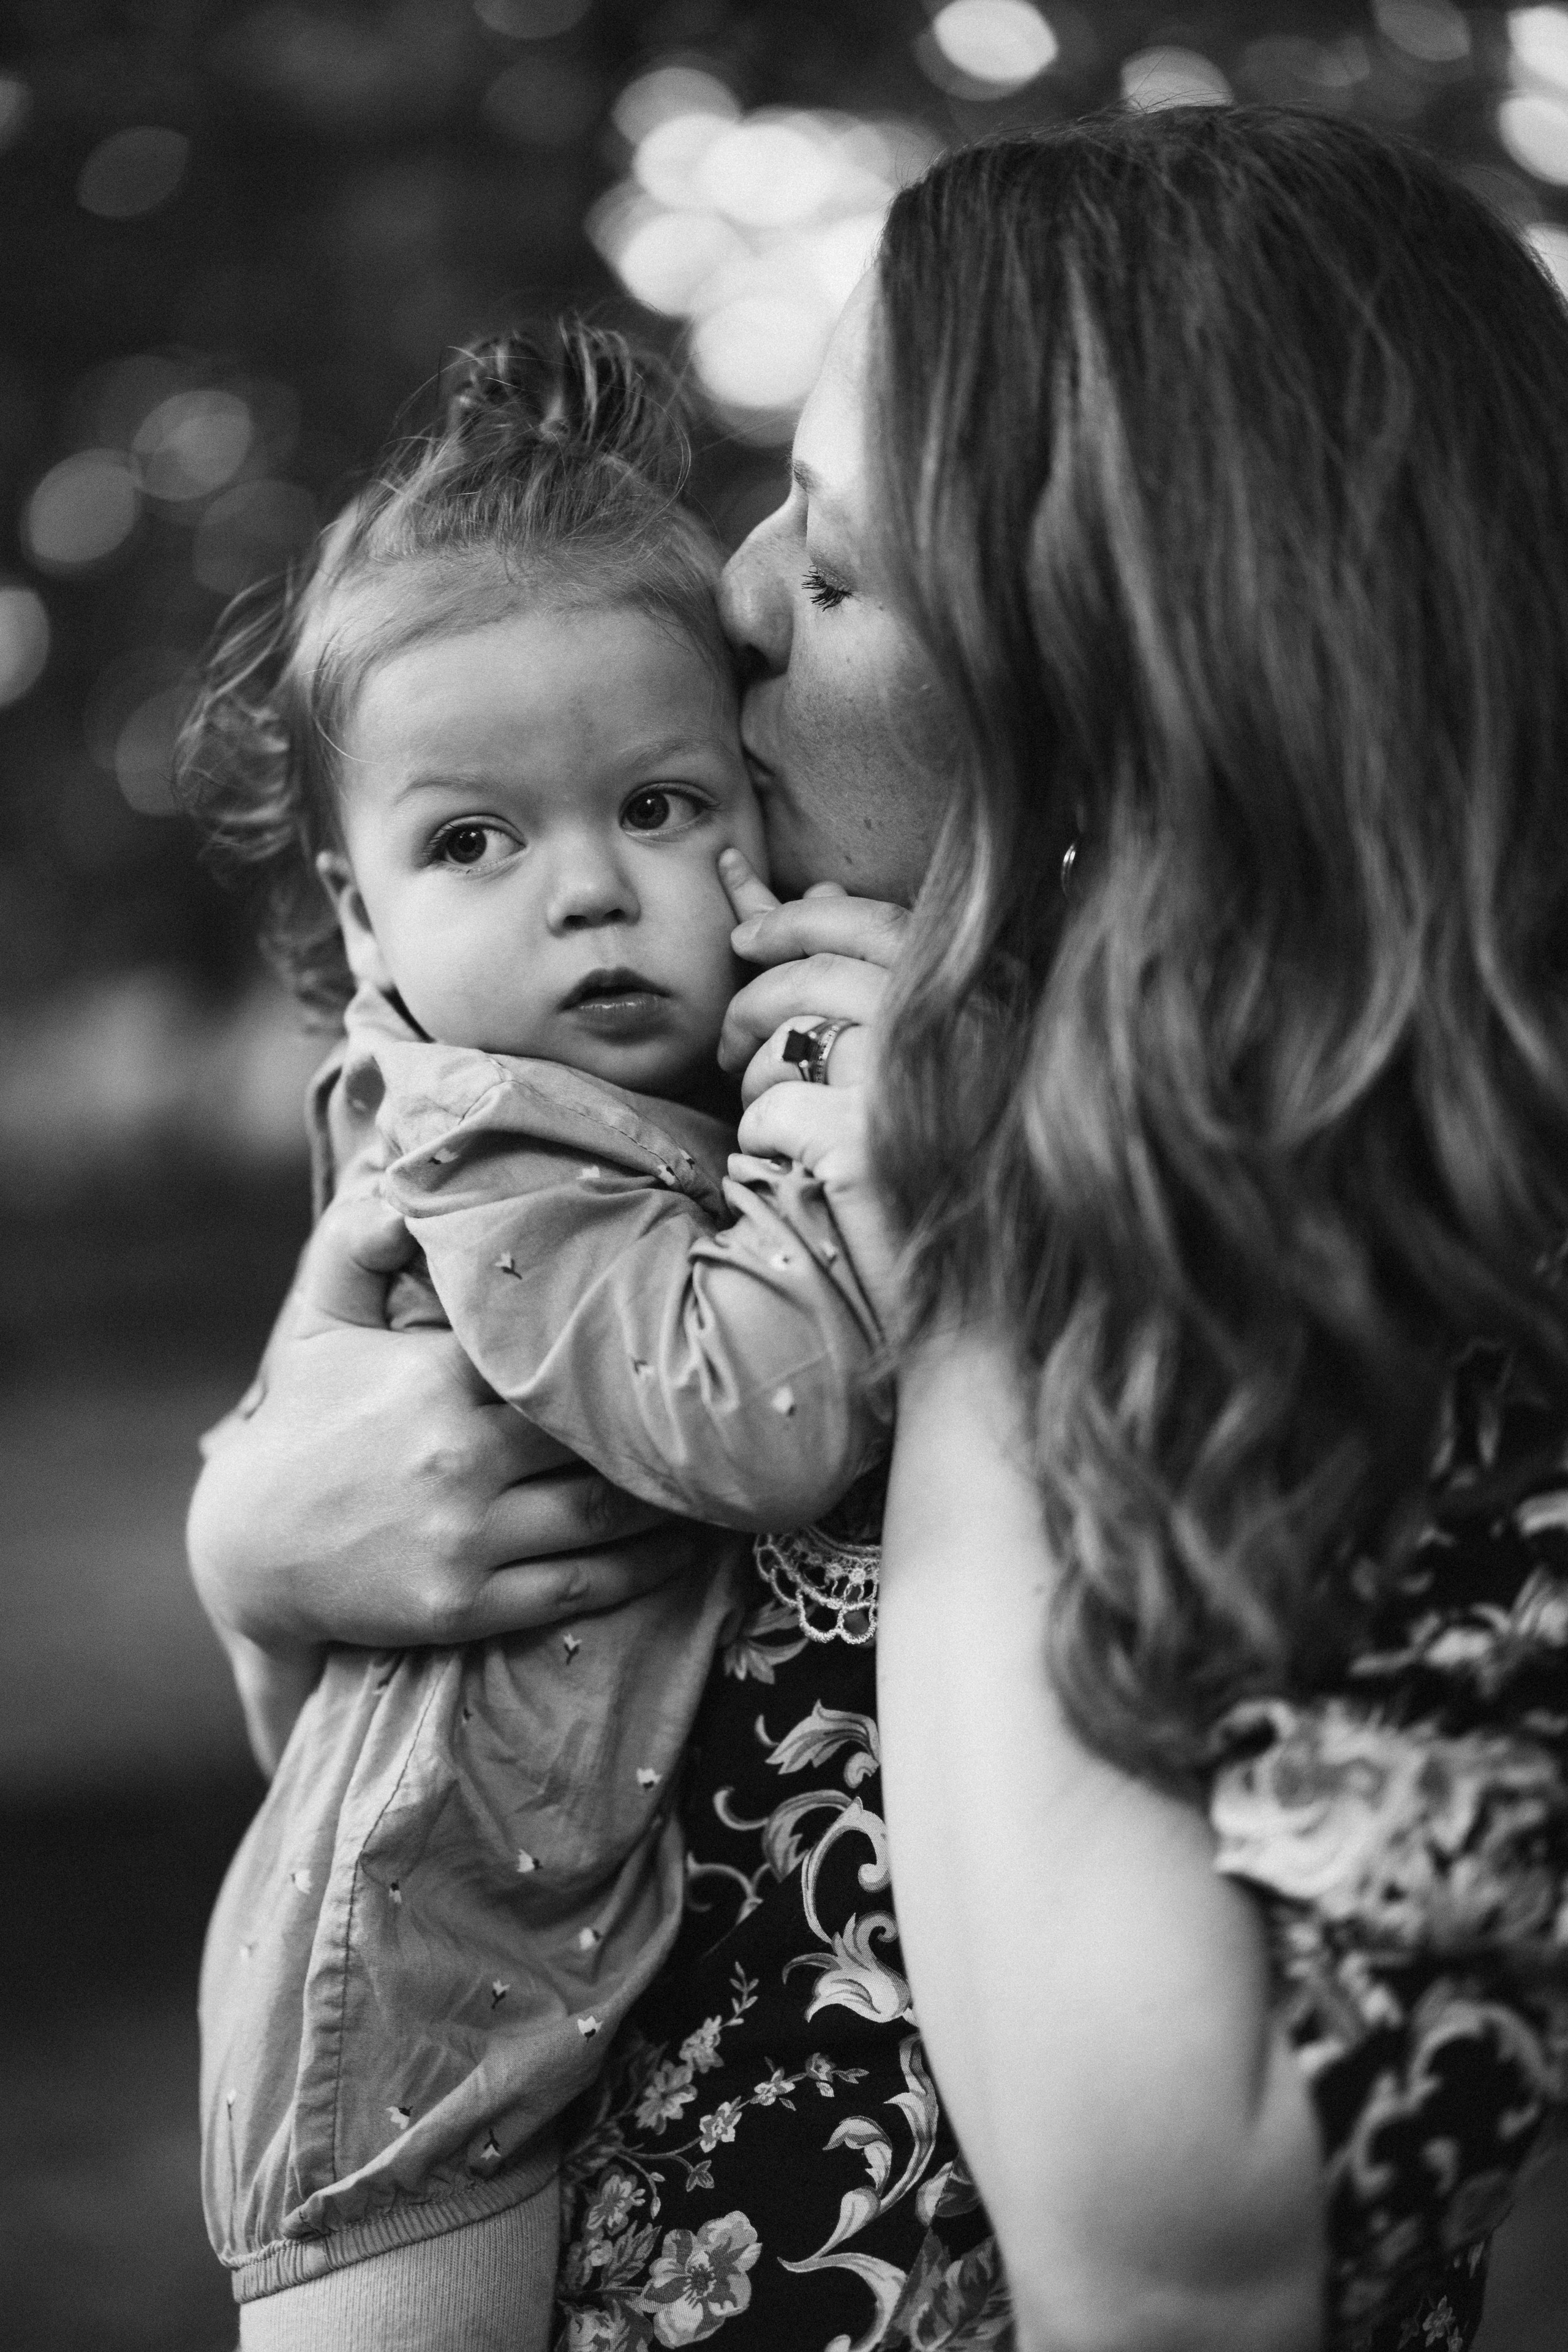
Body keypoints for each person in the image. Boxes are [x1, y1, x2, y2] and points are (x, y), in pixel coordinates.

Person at [185, 110, 1568, 2352]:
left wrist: (981, 1232)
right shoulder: (708, 1090)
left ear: (1132, 705)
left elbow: (1168, 2270)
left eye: (833, 566)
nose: (728, 597)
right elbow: (436, 1754)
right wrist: (253, 1555)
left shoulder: (1455, 1302)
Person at [176, 320, 889, 2350]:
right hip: (416, 2031)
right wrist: (867, 1194)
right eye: (475, 841)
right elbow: (745, 1425)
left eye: (659, 805)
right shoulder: (501, 1148)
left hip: (523, 1970)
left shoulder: (635, 1109)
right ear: (361, 911)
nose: (588, 892)